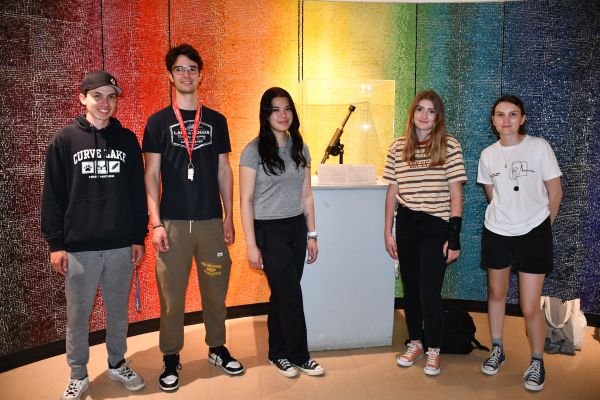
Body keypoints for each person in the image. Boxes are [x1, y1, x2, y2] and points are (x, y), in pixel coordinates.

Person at [143, 43, 243, 392]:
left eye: (192, 69)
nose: (186, 74)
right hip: (171, 224)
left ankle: (216, 347)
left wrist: (229, 216)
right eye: (180, 69)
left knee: (215, 291)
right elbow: (151, 175)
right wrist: (155, 223)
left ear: (201, 74)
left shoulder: (216, 120)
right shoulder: (157, 122)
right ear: (170, 76)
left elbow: (224, 171)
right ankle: (171, 356)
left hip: (209, 222)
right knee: (171, 296)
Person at [41, 71, 148, 400]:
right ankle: (78, 374)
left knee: (117, 312)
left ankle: (117, 363)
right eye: (97, 95)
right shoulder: (64, 141)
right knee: (77, 316)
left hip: (119, 246)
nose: (105, 103)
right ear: (83, 98)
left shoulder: (127, 140)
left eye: (111, 97)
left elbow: (136, 193)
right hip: (80, 249)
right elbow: (53, 195)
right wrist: (56, 244)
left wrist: (137, 237)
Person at [478, 95, 562, 392]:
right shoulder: (488, 155)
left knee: (529, 307)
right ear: (493, 120)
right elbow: (493, 196)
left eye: (513, 114)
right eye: (500, 114)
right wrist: (508, 220)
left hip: (534, 235)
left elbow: (555, 192)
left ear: (522, 118)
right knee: (496, 292)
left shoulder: (539, 147)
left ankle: (537, 360)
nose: (506, 120)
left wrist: (540, 228)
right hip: (497, 231)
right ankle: (497, 349)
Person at [239, 87, 325, 378]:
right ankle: (300, 355)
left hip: (295, 228)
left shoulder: (301, 147)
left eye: (287, 108)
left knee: (281, 294)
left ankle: (277, 353)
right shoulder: (252, 151)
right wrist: (251, 246)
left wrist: (312, 234)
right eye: (276, 109)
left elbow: (307, 194)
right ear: (266, 114)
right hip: (268, 230)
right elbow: (245, 200)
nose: (283, 114)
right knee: (290, 295)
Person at [383, 89, 467, 376]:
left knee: (429, 293)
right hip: (406, 223)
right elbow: (392, 192)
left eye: (431, 111)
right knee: (411, 290)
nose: (424, 115)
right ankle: (416, 342)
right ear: (413, 112)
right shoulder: (397, 147)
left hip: (436, 225)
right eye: (420, 109)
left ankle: (434, 349)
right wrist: (387, 231)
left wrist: (453, 238)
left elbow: (457, 195)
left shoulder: (450, 146)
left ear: (438, 116)